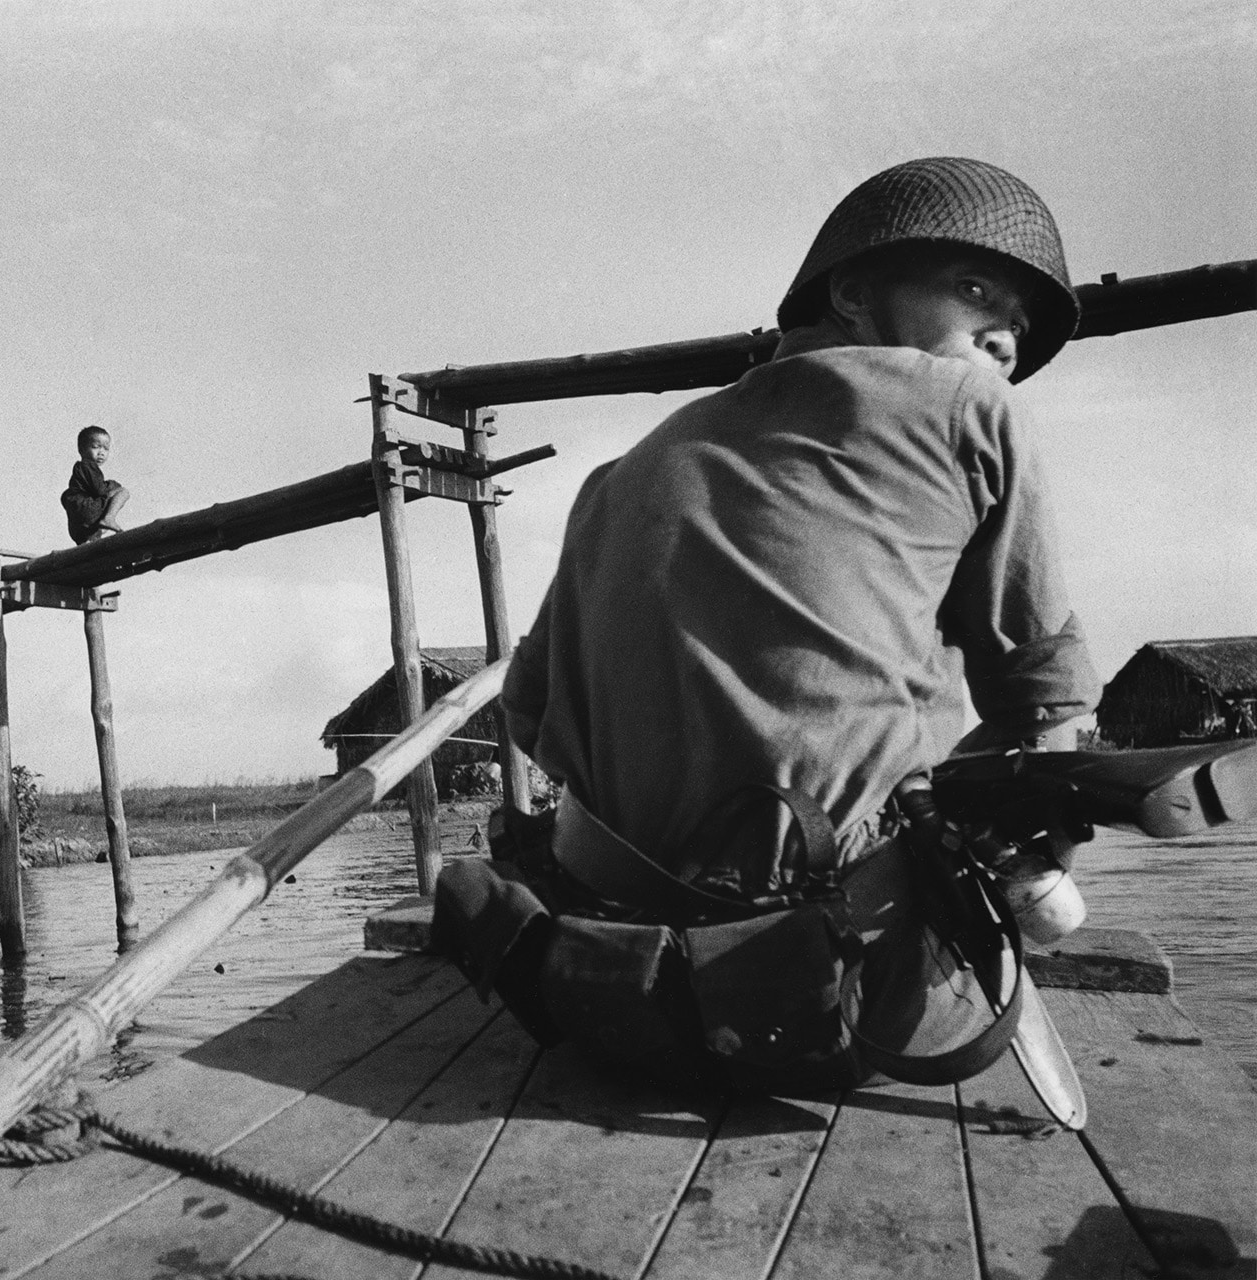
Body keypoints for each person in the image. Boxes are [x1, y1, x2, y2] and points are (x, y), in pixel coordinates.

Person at [443, 157, 1103, 1094]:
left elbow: (527, 709)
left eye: (1020, 328)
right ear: (853, 294)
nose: (1003, 339)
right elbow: (1045, 710)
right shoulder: (971, 407)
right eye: (974, 290)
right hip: (834, 1008)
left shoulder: (621, 471)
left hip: (603, 987)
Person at [61, 425, 130, 545]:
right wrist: (113, 484)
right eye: (96, 447)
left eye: (106, 449)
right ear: (81, 449)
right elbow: (100, 490)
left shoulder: (79, 470)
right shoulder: (87, 466)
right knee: (122, 492)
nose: (101, 453)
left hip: (78, 523)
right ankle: (109, 518)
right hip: (87, 509)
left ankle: (91, 537)